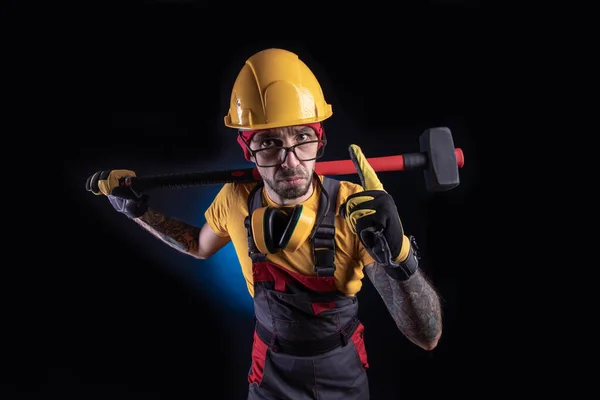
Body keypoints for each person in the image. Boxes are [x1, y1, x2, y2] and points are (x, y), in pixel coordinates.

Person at [88, 48, 443, 400]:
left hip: (341, 372)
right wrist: (136, 211)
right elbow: (197, 245)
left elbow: (427, 336)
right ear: (248, 149)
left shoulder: (357, 209)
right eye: (270, 142)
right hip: (270, 373)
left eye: (302, 137)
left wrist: (401, 259)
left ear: (320, 139)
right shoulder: (236, 198)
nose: (289, 161)